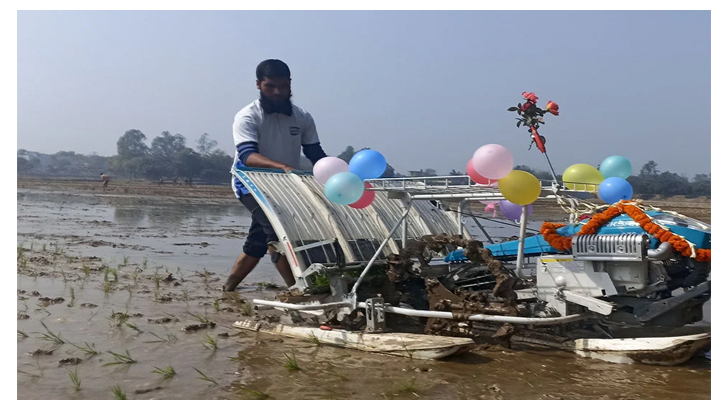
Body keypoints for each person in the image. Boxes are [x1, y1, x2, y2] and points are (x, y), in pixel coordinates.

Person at [223, 59, 327, 292]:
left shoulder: (302, 118)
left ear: (290, 85)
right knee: (277, 234)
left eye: (282, 86)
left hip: (286, 186)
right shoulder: (248, 116)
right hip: (250, 184)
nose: (278, 92)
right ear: (259, 85)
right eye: (271, 86)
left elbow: (315, 153)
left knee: (258, 241)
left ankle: (228, 289)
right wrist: (283, 167)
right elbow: (248, 156)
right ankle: (299, 290)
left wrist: (334, 173)